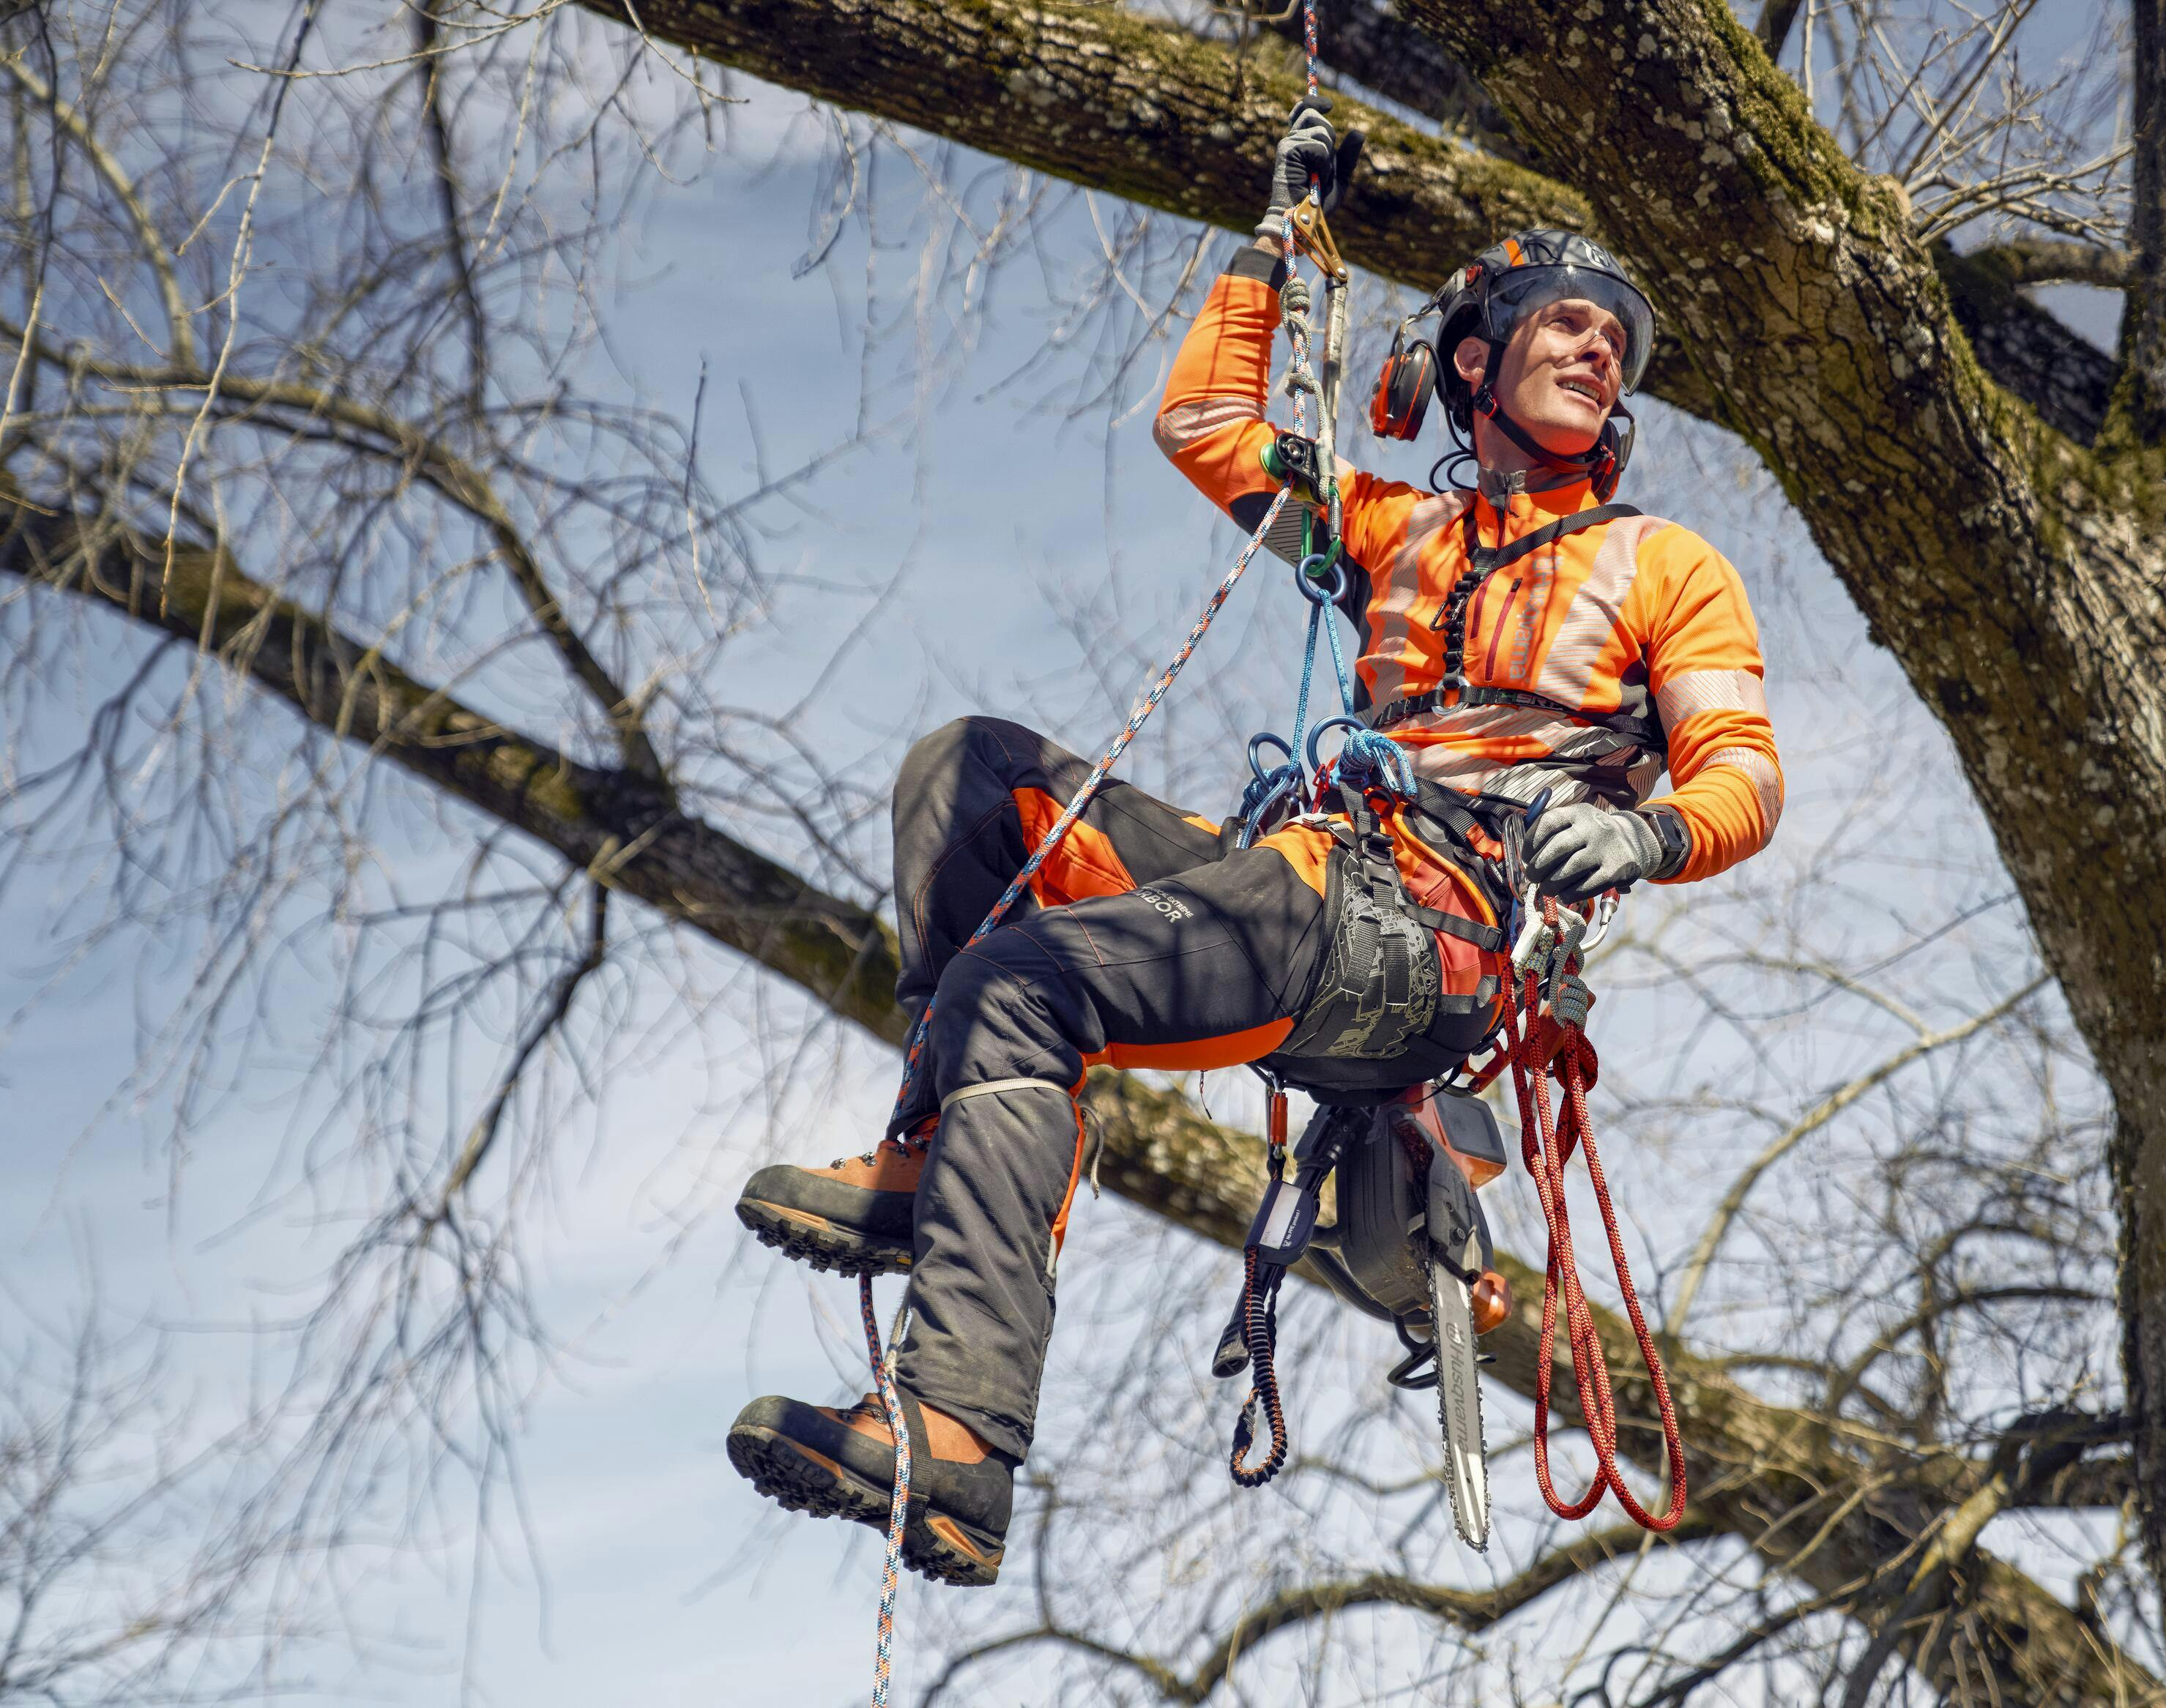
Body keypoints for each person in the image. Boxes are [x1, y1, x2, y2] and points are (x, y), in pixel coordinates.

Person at [722, 95, 1783, 1587]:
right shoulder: (1390, 533)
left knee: (1025, 984)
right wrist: (1276, 246)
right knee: (977, 780)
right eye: (1569, 322)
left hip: (1429, 927)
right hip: (1302, 878)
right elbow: (1206, 426)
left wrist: (1656, 832)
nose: (1601, 351)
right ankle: (934, 1150)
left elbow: (1742, 766)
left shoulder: (1663, 562)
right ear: (1473, 358)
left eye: (1618, 344)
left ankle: (956, 1440)